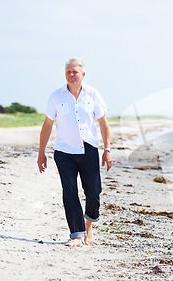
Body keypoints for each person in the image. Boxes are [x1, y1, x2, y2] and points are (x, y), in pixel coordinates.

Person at [37, 57, 113, 247]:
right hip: (64, 152)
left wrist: (107, 150)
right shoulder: (56, 96)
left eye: (75, 72)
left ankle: (88, 227)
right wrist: (41, 152)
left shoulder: (93, 95)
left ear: (83, 75)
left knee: (93, 193)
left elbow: (103, 124)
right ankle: (76, 236)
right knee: (70, 192)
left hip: (89, 150)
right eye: (68, 72)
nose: (71, 75)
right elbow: (47, 125)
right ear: (65, 74)